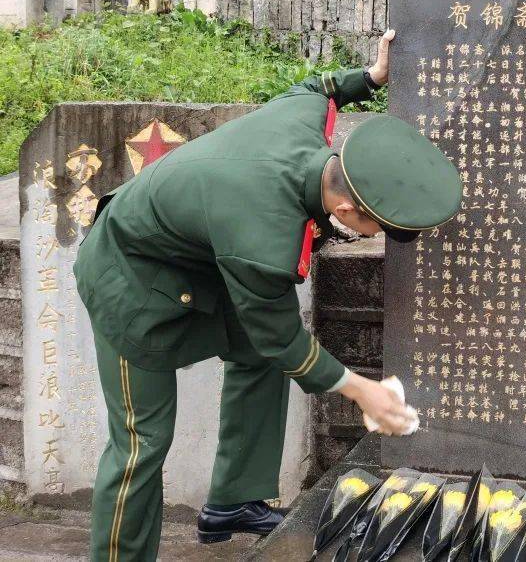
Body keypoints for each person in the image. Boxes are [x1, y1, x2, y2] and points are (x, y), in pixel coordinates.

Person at [73, 29, 463, 560]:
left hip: (193, 267)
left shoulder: (303, 125)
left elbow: (317, 85)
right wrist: (362, 389)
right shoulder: (264, 237)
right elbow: (281, 337)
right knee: (142, 443)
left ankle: (233, 500)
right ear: (347, 211)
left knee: (254, 355)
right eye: (382, 229)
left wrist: (371, 77)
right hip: (129, 283)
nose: (381, 241)